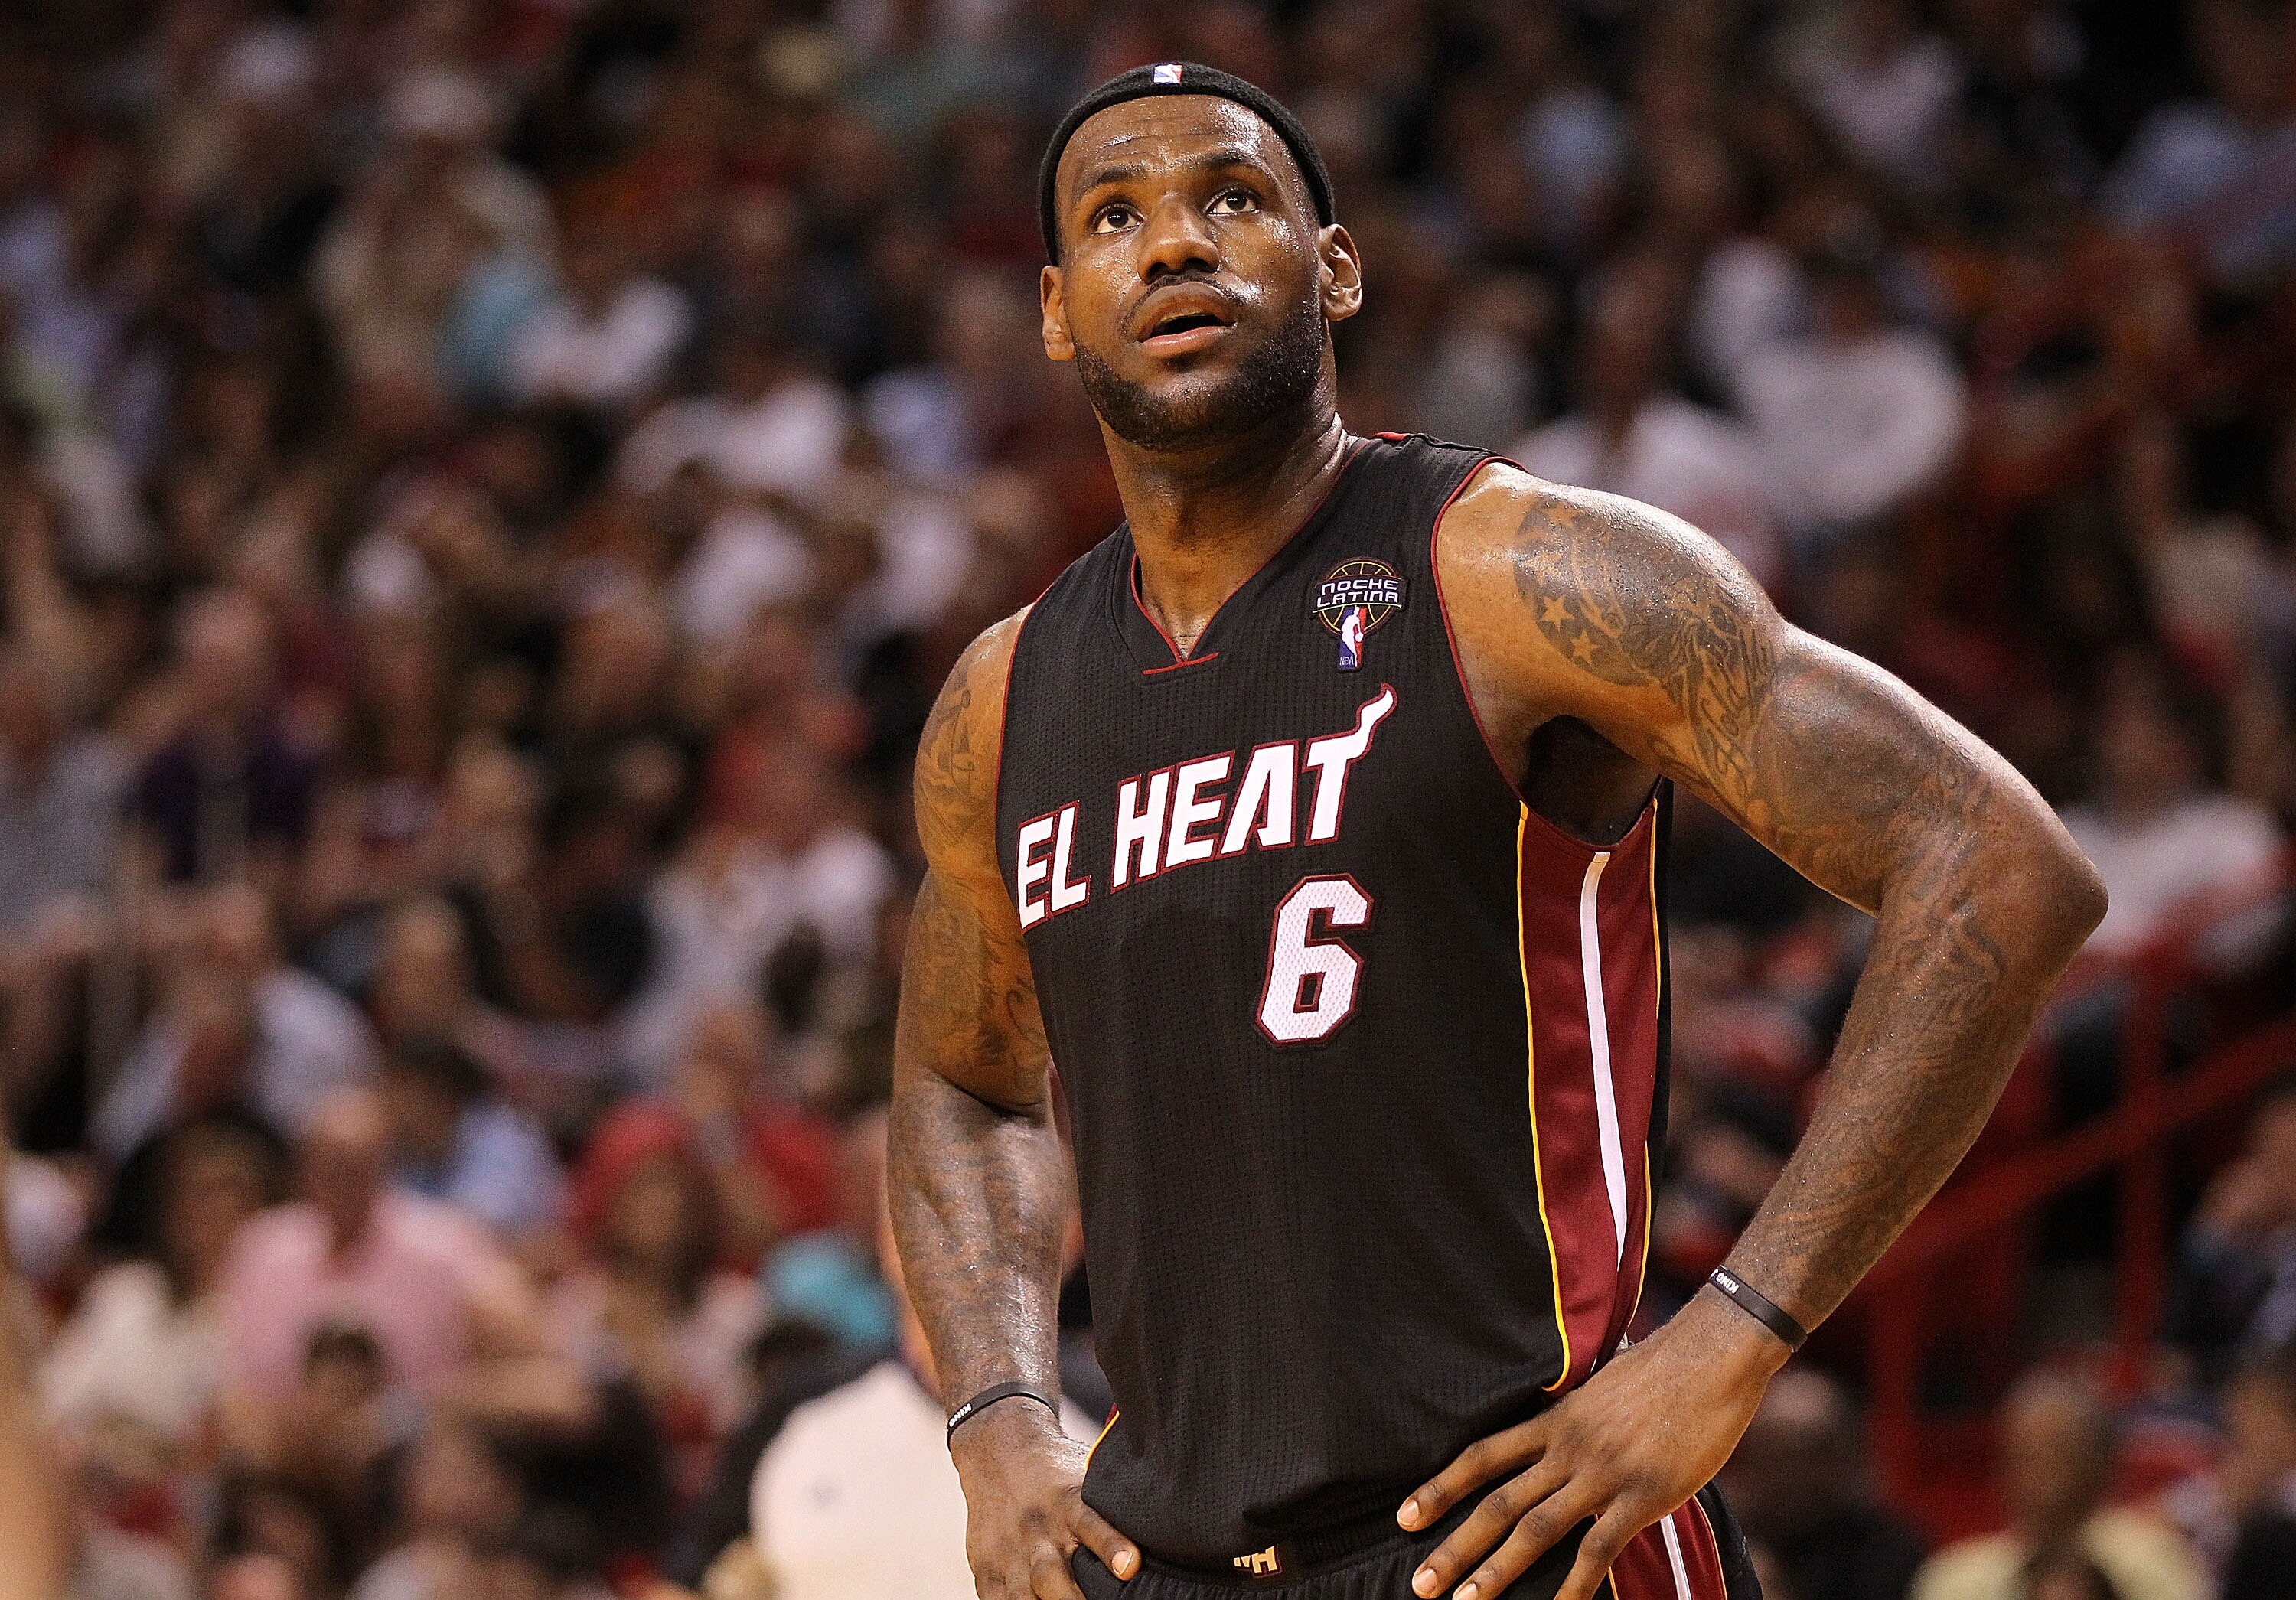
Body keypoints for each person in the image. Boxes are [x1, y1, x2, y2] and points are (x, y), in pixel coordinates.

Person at [888, 61, 2105, 1600]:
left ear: (1334, 269)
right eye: (1118, 217)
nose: (1178, 244)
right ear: (1060, 309)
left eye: (1233, 199)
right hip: (1169, 1549)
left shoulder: (1517, 577)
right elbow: (957, 1075)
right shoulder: (1004, 700)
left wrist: (1736, 1332)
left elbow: (1998, 862)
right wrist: (998, 1413)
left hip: (1516, 1527)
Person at [1910, 1372, 2201, 1600]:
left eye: (2057, 1454)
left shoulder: (2154, 1566)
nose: (2037, 1473)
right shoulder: (1954, 1578)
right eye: (2023, 1455)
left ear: (2101, 1464)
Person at [1719, 1368, 1926, 1600]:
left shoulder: (1885, 1551)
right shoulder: (1722, 1528)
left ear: (1842, 1457)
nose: (1783, 1473)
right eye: (1766, 1452)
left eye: (1798, 1453)